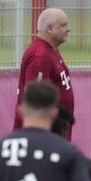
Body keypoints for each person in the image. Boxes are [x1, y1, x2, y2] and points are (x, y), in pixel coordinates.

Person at [12, 8, 75, 140]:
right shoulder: (39, 56)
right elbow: (34, 101)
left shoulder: (51, 49)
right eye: (63, 25)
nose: (68, 29)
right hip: (41, 141)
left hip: (54, 136)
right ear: (50, 28)